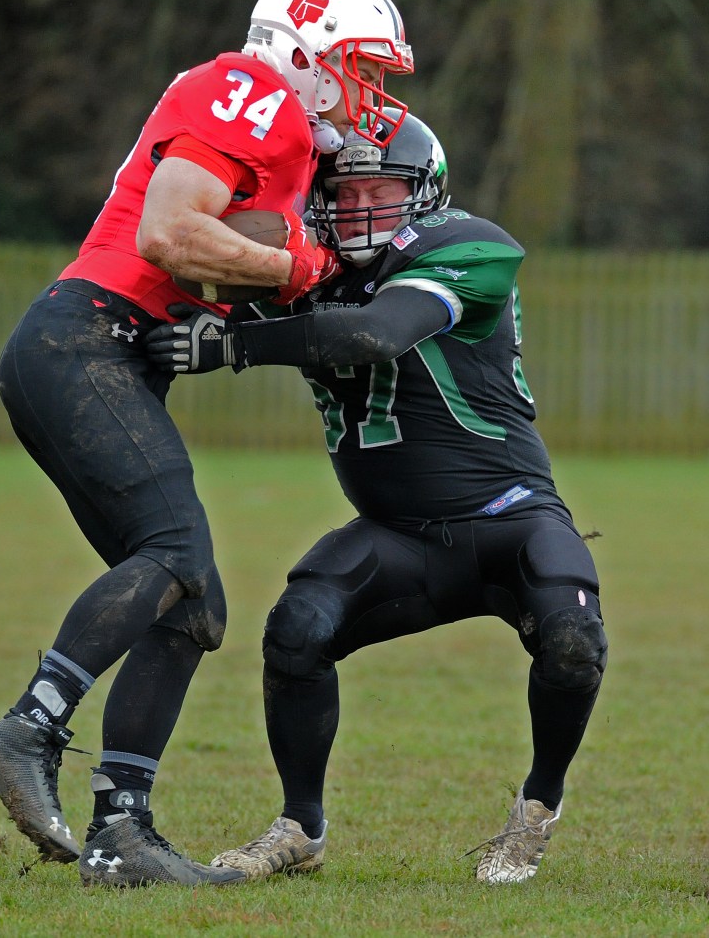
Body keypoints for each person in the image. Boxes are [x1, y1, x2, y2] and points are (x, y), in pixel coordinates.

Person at [0, 0, 414, 889]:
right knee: (173, 552)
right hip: (85, 339)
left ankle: (120, 834)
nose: (370, 92)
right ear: (305, 53)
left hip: (104, 353)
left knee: (192, 604)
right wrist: (291, 267)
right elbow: (168, 233)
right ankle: (28, 728)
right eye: (361, 68)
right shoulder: (251, 91)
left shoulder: (287, 140)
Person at [146, 110, 608, 884]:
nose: (360, 206)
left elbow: (373, 333)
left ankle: (537, 808)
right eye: (345, 191)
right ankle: (301, 827)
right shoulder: (303, 267)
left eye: (380, 189)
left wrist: (234, 343)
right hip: (398, 533)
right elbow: (179, 286)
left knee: (572, 642)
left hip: (511, 517)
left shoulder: (467, 246)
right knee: (296, 629)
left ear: (423, 192)